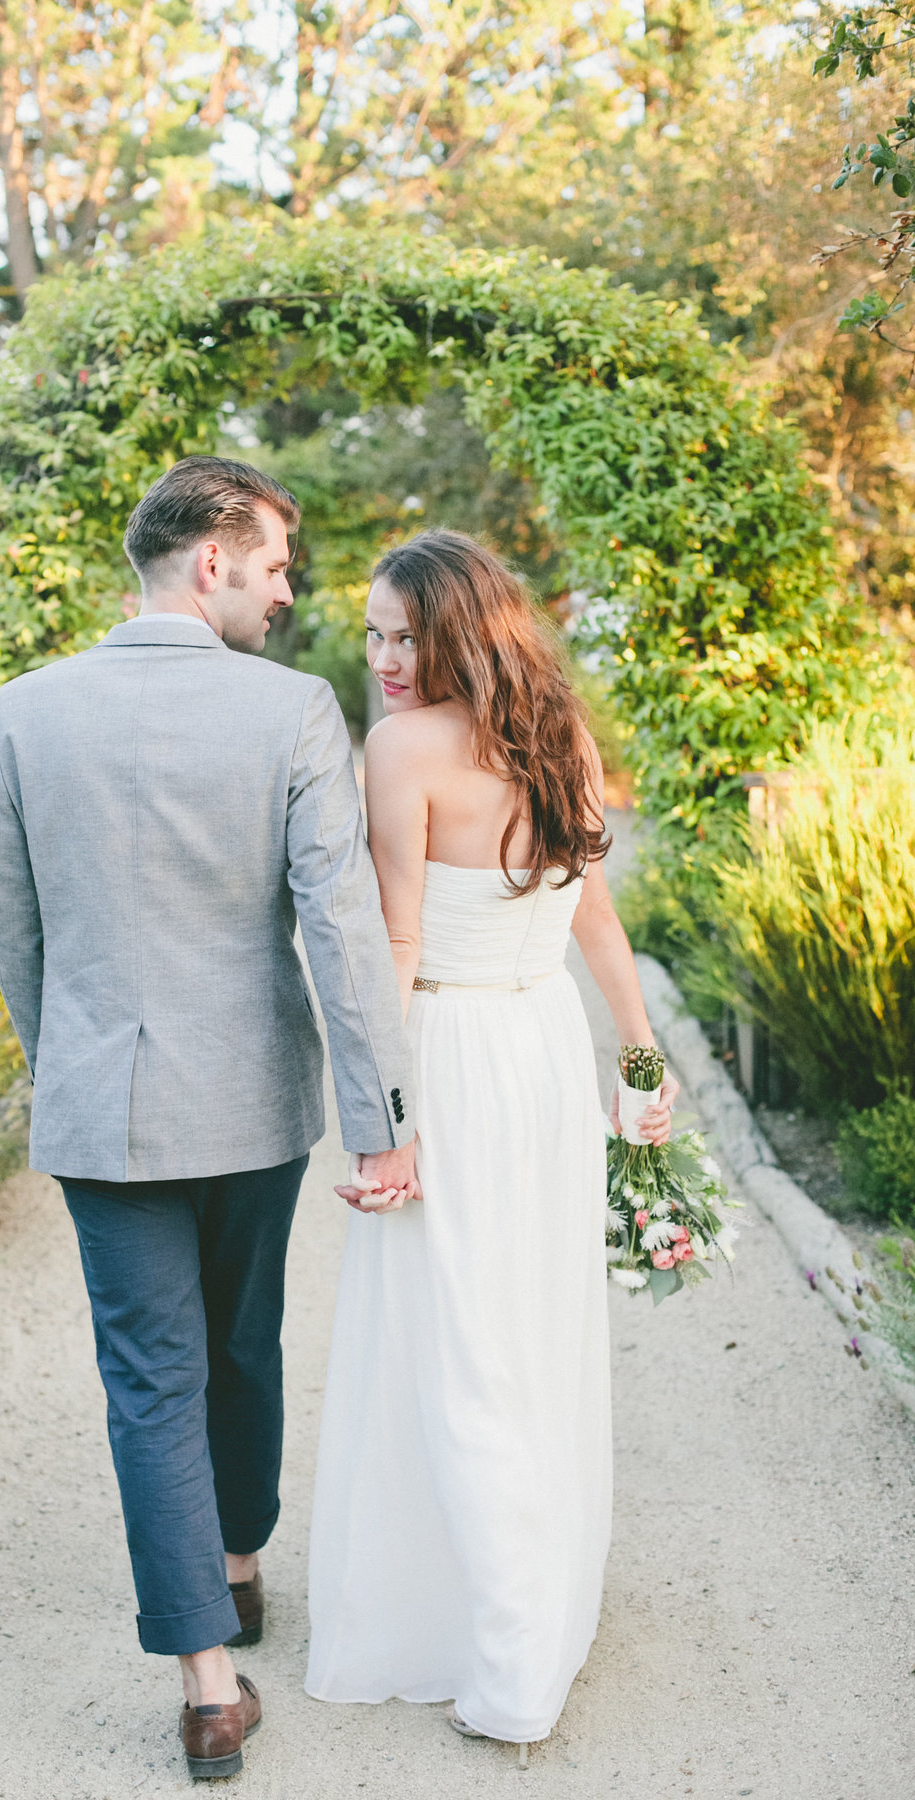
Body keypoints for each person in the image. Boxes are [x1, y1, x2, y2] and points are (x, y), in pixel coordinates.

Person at [0, 456, 417, 1781]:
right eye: (278, 562)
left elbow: (18, 928)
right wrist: (382, 1118)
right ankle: (235, 1569)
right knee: (241, 1342)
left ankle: (207, 1686)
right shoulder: (293, 715)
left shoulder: (25, 711)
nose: (289, 591)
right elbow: (339, 933)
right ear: (211, 558)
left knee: (148, 1381)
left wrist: (72, 1066)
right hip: (251, 1101)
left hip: (101, 1108)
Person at [305, 529, 678, 1758]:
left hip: (457, 1062)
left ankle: (511, 1668)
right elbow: (598, 924)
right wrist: (635, 1059)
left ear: (464, 628)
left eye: (406, 634)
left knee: (458, 1346)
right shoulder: (560, 734)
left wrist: (384, 1125)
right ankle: (524, 1610)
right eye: (373, 634)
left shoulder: (398, 750)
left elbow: (400, 950)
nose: (386, 657)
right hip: (540, 1063)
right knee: (525, 1331)